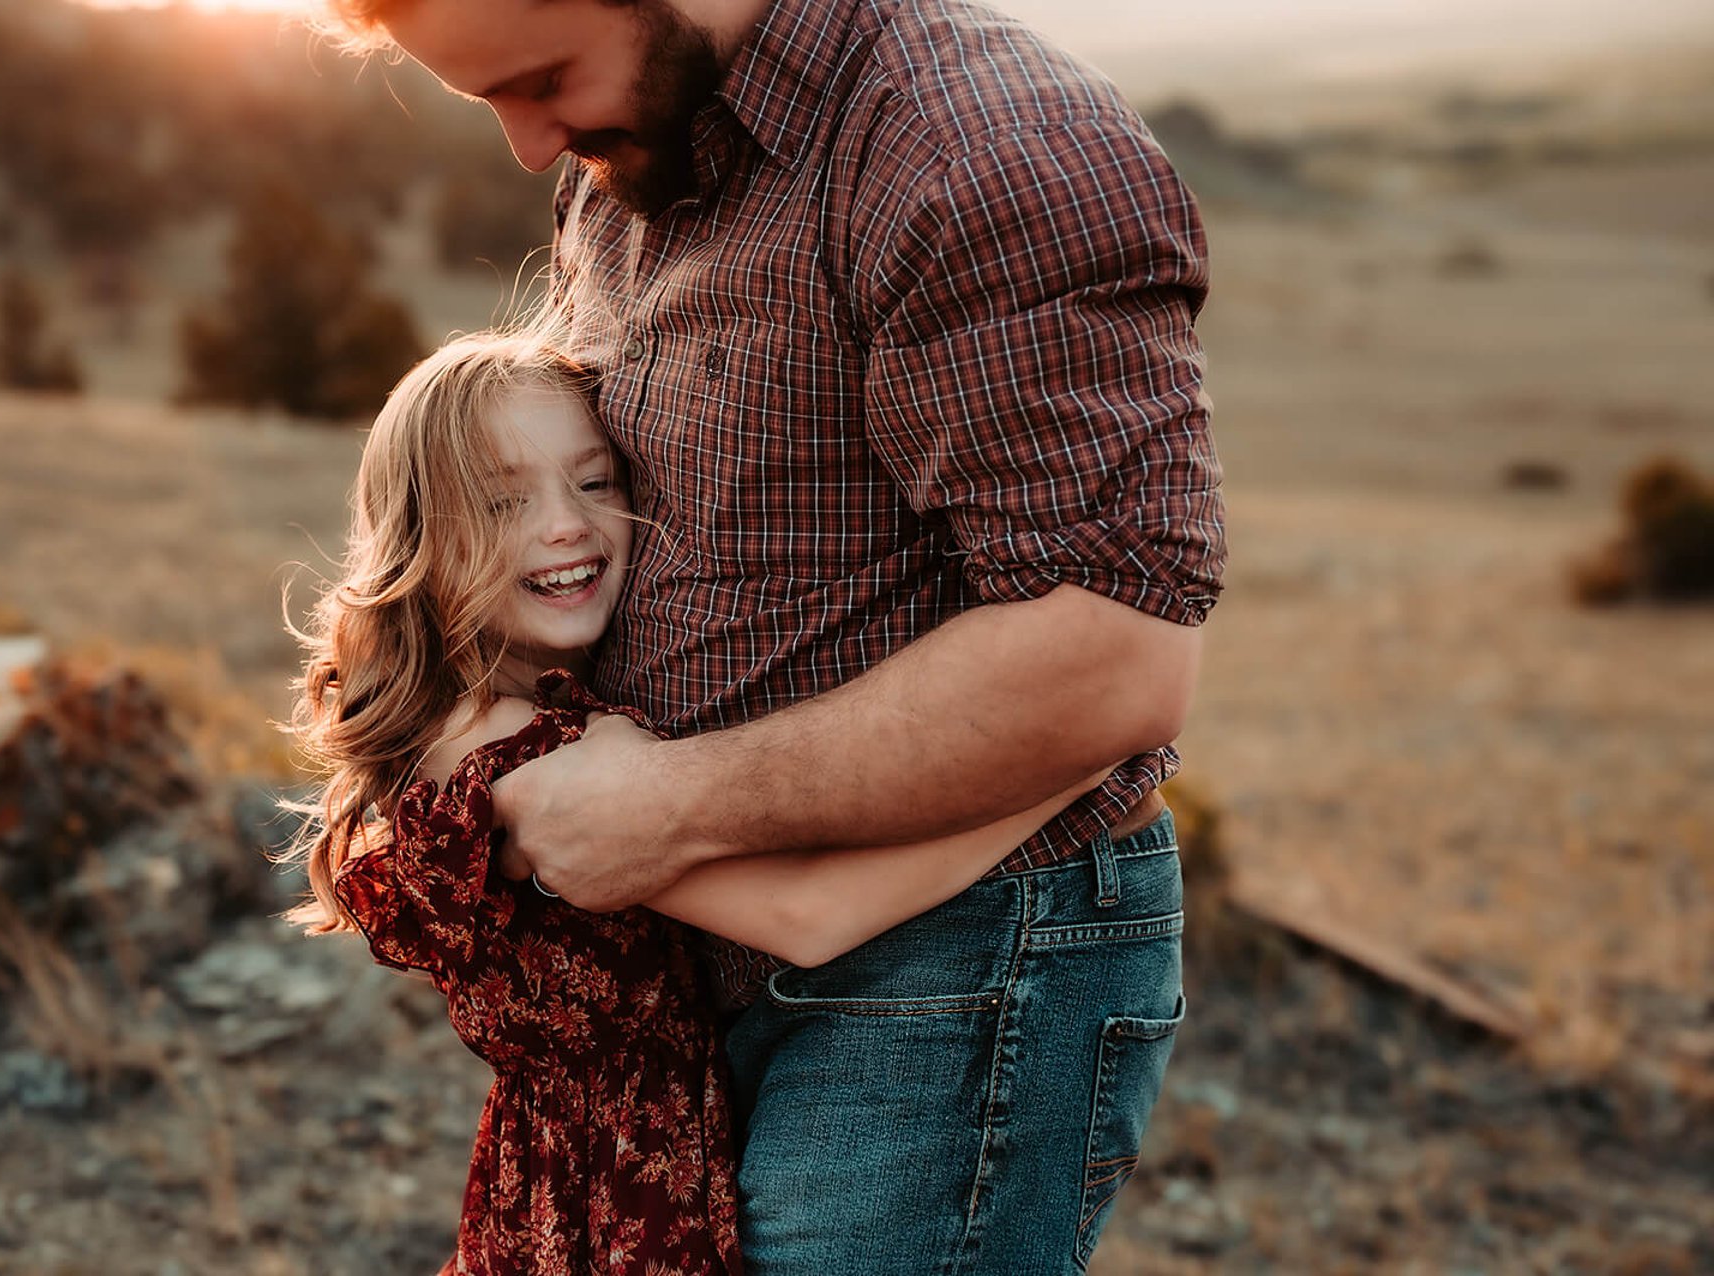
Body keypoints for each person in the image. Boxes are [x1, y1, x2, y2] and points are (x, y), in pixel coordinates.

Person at [315, 0, 1225, 1270]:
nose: (527, 147)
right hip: (705, 979)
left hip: (957, 945)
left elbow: (1117, 650)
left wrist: (670, 803)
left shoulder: (979, 152)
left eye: (541, 78)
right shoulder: (629, 150)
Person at [284, 327, 1119, 1274]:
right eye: (504, 500)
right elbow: (807, 916)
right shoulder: (529, 761)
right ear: (420, 539)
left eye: (595, 481)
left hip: (554, 1182)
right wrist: (1066, 767)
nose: (565, 524)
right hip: (618, 1202)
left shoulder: (474, 711)